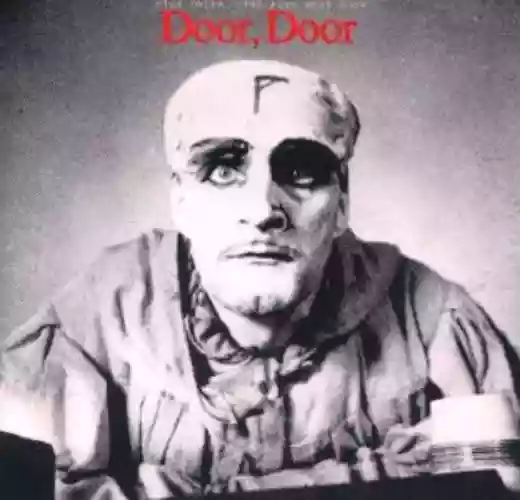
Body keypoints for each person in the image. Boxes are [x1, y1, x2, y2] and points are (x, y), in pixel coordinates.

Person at [1, 59, 519, 499]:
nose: (263, 210)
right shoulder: (97, 317)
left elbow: (500, 487)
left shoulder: (431, 317)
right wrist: (374, 475)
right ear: (180, 201)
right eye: (223, 170)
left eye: (301, 171)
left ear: (342, 203)